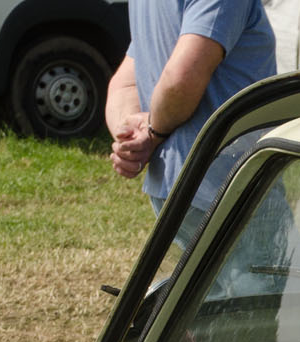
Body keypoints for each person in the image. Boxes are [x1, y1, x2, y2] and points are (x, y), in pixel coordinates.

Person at [105, 0, 277, 214]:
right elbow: (181, 79)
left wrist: (132, 137)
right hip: (229, 188)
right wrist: (148, 133)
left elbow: (124, 85)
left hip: (178, 189)